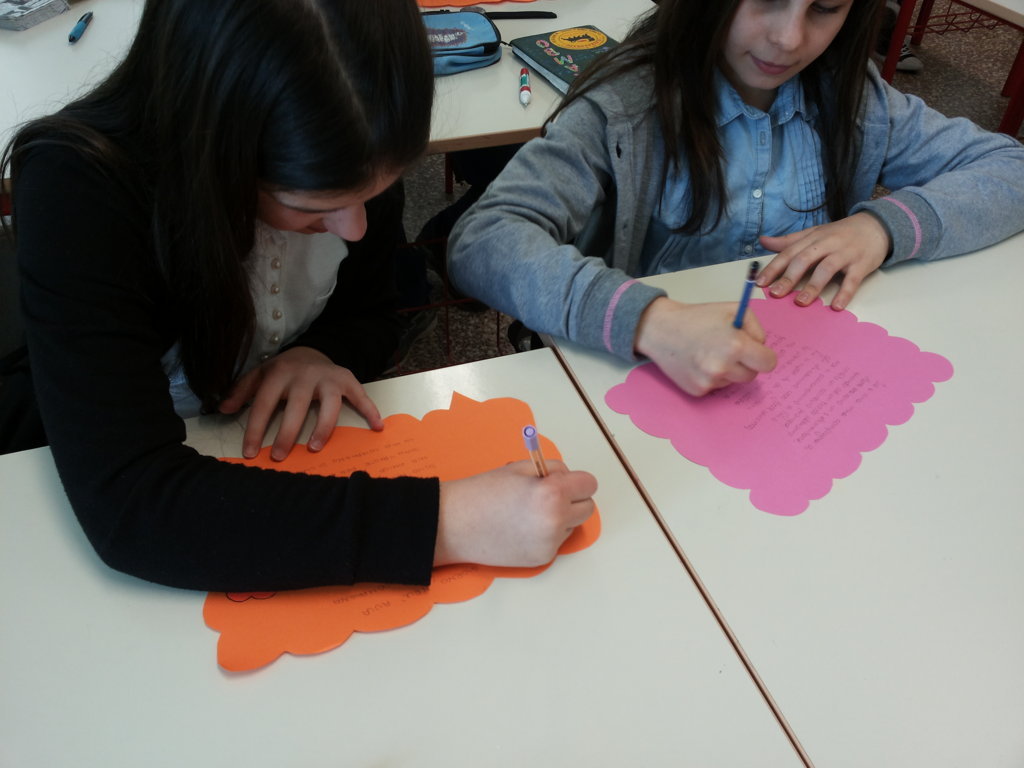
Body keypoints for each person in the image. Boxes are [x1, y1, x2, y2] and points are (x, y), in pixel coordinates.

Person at [0, 0, 597, 592]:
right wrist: (447, 523)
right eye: (313, 207)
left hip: (249, 463)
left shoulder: (356, 139)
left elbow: (374, 313)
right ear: (218, 154)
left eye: (375, 193)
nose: (355, 228)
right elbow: (135, 503)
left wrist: (324, 351)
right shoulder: (78, 191)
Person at [447, 0, 1024, 397]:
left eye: (825, 8)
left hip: (799, 376)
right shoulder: (625, 105)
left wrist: (881, 227)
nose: (789, 38)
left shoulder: (854, 99)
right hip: (647, 376)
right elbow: (485, 239)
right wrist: (649, 321)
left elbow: (1010, 167)